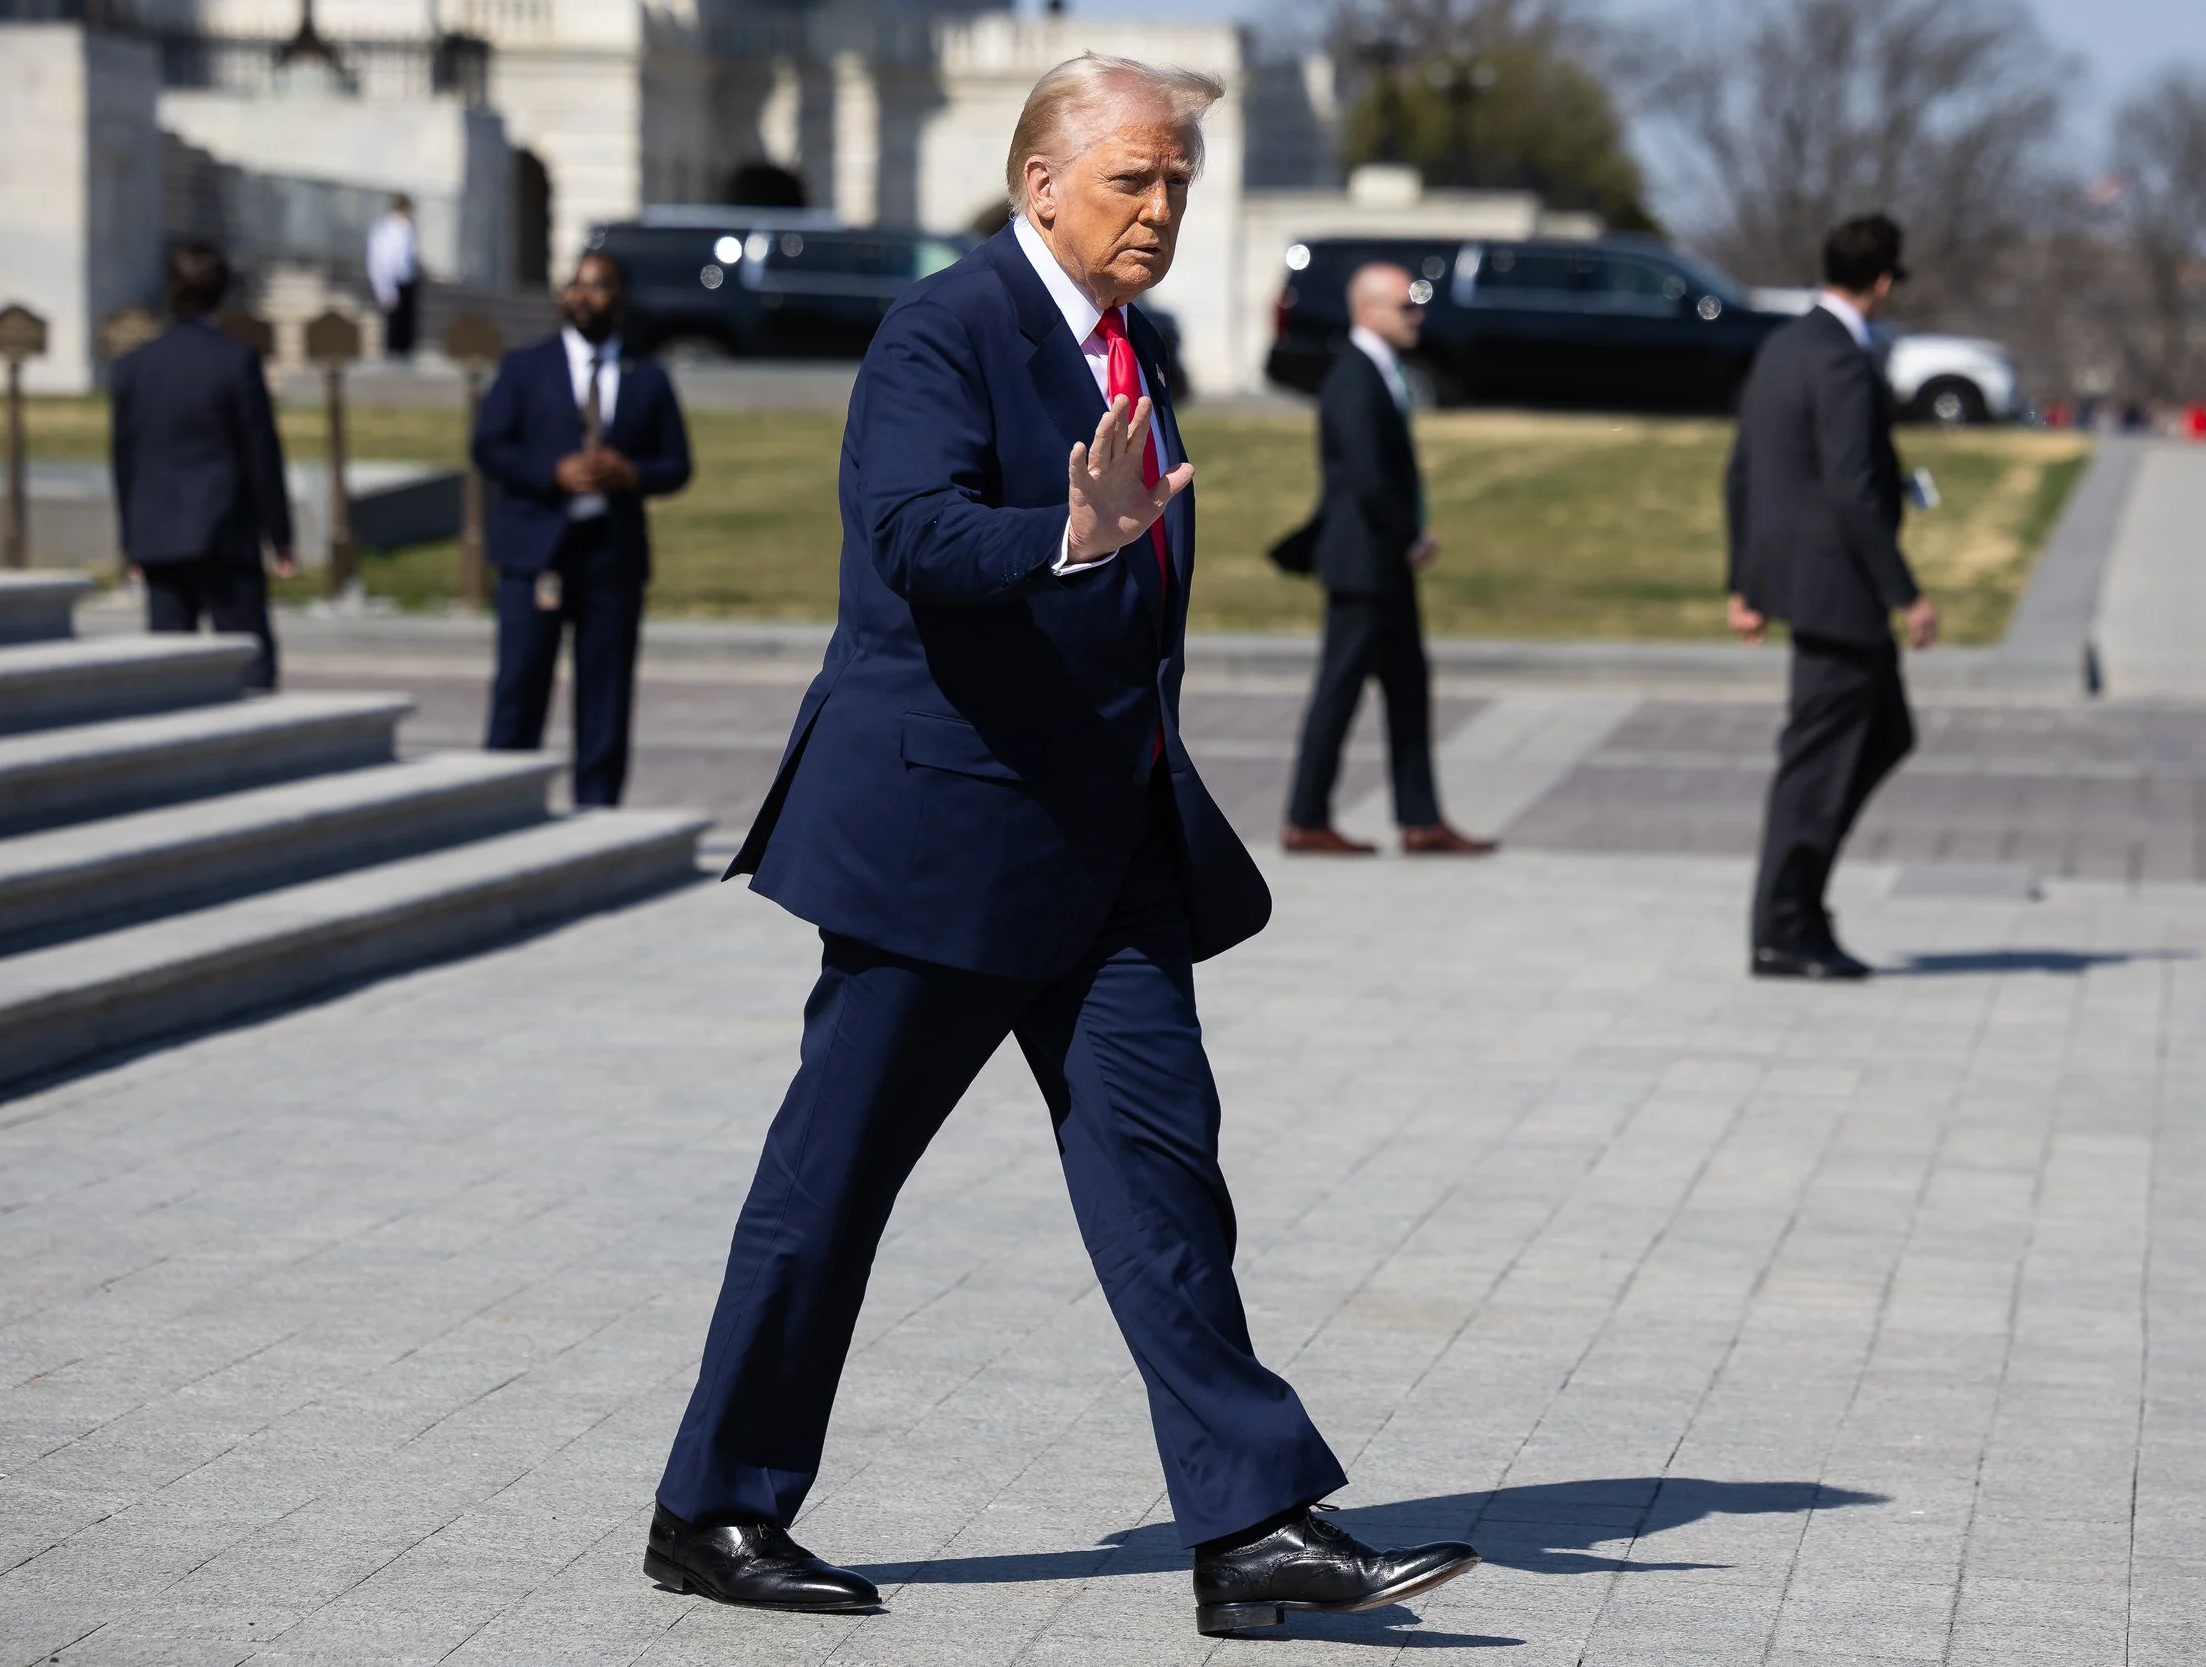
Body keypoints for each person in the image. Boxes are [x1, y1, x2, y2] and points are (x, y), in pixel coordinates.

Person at [648, 53, 1480, 1638]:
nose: (1163, 208)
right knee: (832, 1183)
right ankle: (716, 1507)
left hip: (1105, 851)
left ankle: (1249, 1526)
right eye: (1134, 181)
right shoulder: (942, 328)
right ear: (1044, 183)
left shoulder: (1130, 342)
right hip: (944, 843)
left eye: (1180, 182)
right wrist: (1066, 533)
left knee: (1166, 1177)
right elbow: (907, 532)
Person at [1725, 213, 1938, 980]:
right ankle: (1785, 923)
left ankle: (1800, 904)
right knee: (1816, 766)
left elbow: (1743, 471)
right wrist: (1905, 593)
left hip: (1800, 583)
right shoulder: (1844, 361)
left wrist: (1744, 583)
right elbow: (1852, 491)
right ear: (1881, 282)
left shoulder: (1785, 346)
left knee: (1883, 733)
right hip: (1838, 591)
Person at [1281, 261, 1494, 856]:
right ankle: (1306, 819)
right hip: (1363, 562)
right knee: (1339, 689)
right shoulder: (1353, 376)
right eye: (1406, 306)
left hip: (1384, 563)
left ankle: (1421, 819)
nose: (1417, 315)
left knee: (1408, 688)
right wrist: (1410, 537)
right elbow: (1368, 477)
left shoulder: (1383, 371)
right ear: (1369, 310)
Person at [471, 251, 691, 806]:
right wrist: (552, 473)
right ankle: (501, 805)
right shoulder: (526, 367)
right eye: (576, 285)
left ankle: (598, 813)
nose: (584, 295)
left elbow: (678, 464)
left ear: (620, 297)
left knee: (606, 697)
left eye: (598, 286)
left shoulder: (648, 376)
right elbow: (488, 446)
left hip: (609, 559)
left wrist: (631, 473)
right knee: (520, 686)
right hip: (535, 553)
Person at [110, 242, 296, 691]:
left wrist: (131, 542)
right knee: (248, 660)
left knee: (169, 670)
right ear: (221, 295)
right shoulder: (236, 362)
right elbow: (260, 454)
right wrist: (280, 535)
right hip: (224, 532)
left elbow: (124, 459)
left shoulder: (135, 366)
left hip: (158, 535)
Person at [366, 195, 420, 360]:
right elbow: (380, 262)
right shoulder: (384, 230)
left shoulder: (409, 230)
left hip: (408, 283)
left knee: (407, 331)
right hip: (393, 283)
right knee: (394, 331)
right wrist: (385, 291)